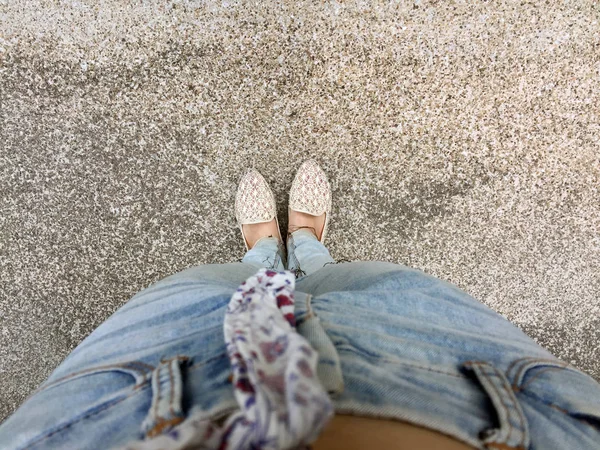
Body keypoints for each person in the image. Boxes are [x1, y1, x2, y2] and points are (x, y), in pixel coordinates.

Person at [1, 160, 599, 450]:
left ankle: (265, 253)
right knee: (358, 284)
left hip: (145, 391)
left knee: (216, 285)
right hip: (473, 378)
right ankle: (307, 249)